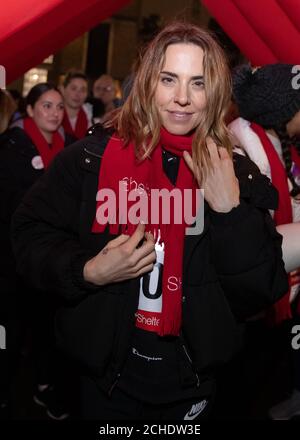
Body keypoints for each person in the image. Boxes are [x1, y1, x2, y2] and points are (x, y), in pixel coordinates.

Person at [11, 22, 288, 421]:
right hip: (105, 379)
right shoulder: (91, 159)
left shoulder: (236, 172)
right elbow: (28, 232)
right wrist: (86, 270)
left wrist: (229, 212)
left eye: (197, 83)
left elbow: (261, 290)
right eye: (168, 79)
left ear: (214, 92)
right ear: (146, 84)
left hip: (192, 384)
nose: (181, 98)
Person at [229, 64, 300, 419]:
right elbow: (255, 233)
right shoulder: (243, 149)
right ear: (283, 110)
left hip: (276, 282)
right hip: (251, 297)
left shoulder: (278, 143)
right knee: (245, 381)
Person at [0, 82, 74, 420]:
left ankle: (43, 387)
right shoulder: (13, 146)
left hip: (50, 257)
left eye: (59, 107)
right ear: (29, 110)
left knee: (47, 329)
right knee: (12, 332)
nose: (55, 113)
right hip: (14, 259)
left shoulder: (66, 147)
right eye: (47, 106)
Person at [61, 71, 91, 140]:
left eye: (83, 90)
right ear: (63, 90)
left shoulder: (91, 121)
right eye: (73, 88)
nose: (78, 94)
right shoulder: (53, 118)